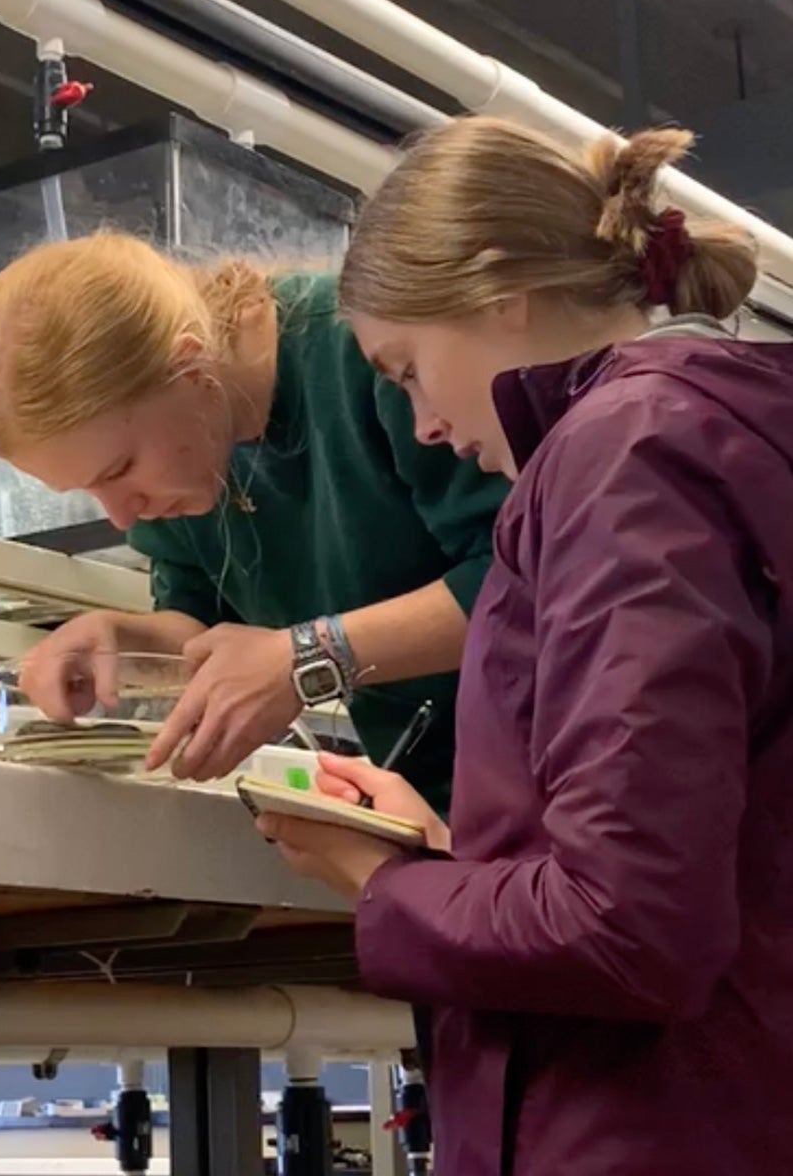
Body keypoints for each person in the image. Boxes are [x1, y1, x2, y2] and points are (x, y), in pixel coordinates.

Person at [259, 116, 793, 1175]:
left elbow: (627, 927)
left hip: (645, 1128)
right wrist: (452, 855)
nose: (421, 425)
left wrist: (381, 883)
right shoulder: (732, 431)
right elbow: (702, 860)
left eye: (408, 370)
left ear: (499, 284)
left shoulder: (623, 456)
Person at [0, 235, 509, 810]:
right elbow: (204, 629)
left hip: (548, 751)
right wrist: (126, 642)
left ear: (190, 367)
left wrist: (308, 657)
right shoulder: (188, 463)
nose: (121, 514)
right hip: (443, 794)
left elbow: (531, 579)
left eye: (120, 469)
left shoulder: (372, 350)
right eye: (88, 491)